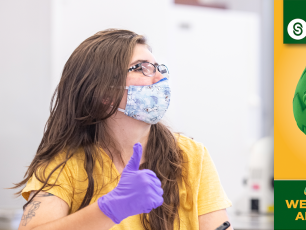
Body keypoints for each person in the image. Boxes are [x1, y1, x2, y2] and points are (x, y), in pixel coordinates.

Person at [13, 29, 232, 230]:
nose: (160, 78)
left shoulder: (191, 155)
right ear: (103, 92)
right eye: (141, 67)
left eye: (158, 68)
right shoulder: (66, 163)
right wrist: (110, 209)